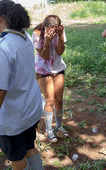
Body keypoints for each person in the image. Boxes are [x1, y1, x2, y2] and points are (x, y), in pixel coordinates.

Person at [0, 0, 43, 170]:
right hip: (29, 110)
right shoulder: (24, 37)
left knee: (17, 159)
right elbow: (10, 46)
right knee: (30, 148)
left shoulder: (1, 49)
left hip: (13, 119)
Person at [32, 15, 68, 143]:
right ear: (45, 27)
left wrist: (60, 37)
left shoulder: (60, 31)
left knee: (59, 99)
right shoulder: (37, 33)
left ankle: (58, 126)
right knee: (50, 100)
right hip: (43, 70)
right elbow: (45, 56)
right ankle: (48, 129)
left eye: (55, 28)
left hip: (58, 68)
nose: (52, 31)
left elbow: (60, 52)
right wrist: (47, 42)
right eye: (50, 29)